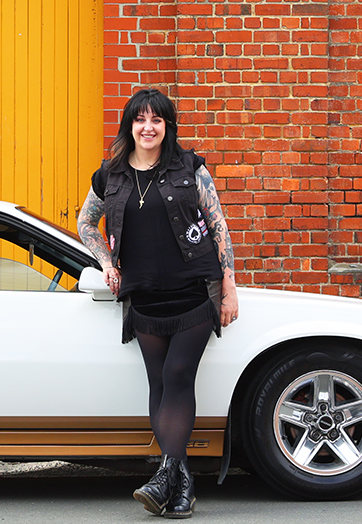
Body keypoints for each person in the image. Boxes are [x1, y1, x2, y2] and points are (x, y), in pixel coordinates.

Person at [77, 88, 238, 519]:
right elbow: (85, 222)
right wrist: (107, 262)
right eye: (140, 119)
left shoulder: (190, 166)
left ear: (167, 126)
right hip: (144, 293)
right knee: (159, 383)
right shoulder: (108, 175)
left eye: (157, 120)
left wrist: (230, 286)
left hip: (194, 288)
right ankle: (180, 484)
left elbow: (217, 223)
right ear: (129, 125)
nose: (148, 127)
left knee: (177, 374)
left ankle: (164, 474)